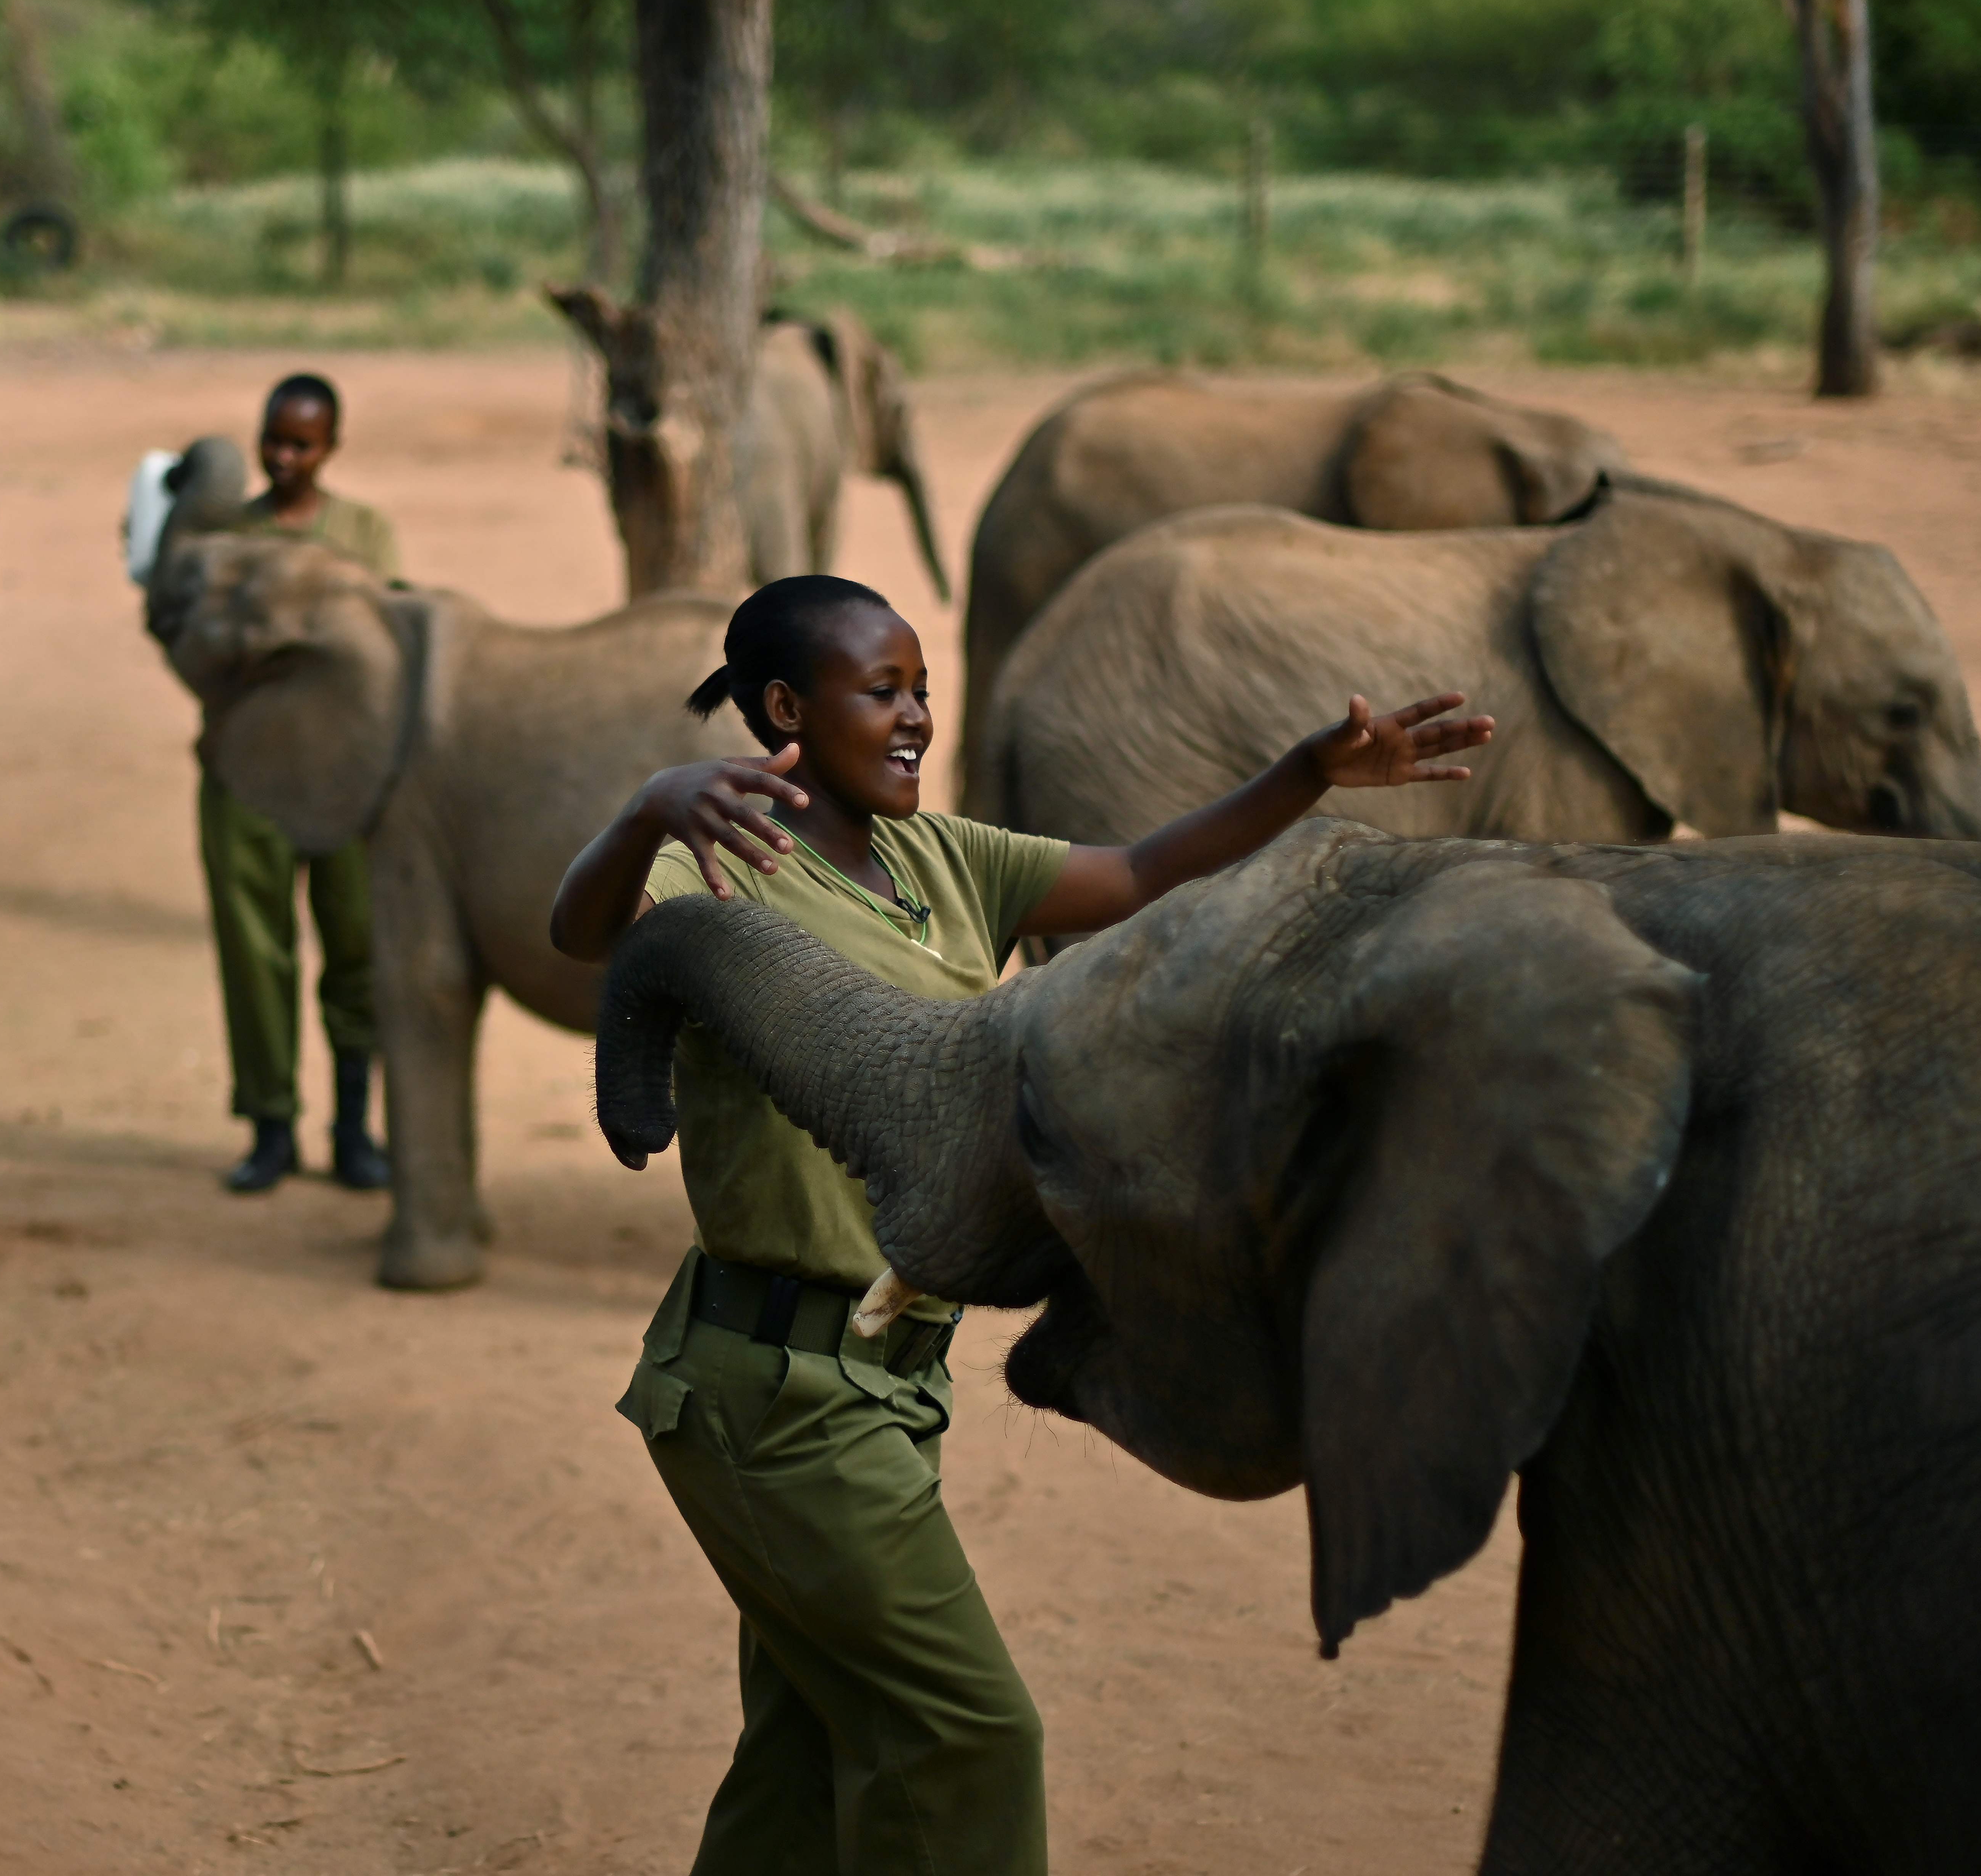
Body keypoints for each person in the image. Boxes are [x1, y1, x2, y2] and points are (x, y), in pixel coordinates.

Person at [549, 574, 1494, 1874]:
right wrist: (647, 806)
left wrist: (1307, 774)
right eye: (882, 690)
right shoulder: (720, 859)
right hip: (773, 1396)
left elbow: (1146, 868)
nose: (917, 717)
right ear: (785, 709)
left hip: (887, 1385)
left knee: (810, 1749)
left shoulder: (947, 862)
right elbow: (583, 933)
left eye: (924, 688)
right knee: (972, 1733)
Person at [191, 373, 397, 1195]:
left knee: (356, 943)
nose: (283, 458)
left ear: (331, 447)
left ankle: (354, 1128)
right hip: (244, 771)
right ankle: (270, 1125)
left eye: (302, 444)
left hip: (344, 770)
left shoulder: (365, 533)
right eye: (272, 440)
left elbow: (381, 639)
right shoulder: (222, 538)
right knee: (254, 950)